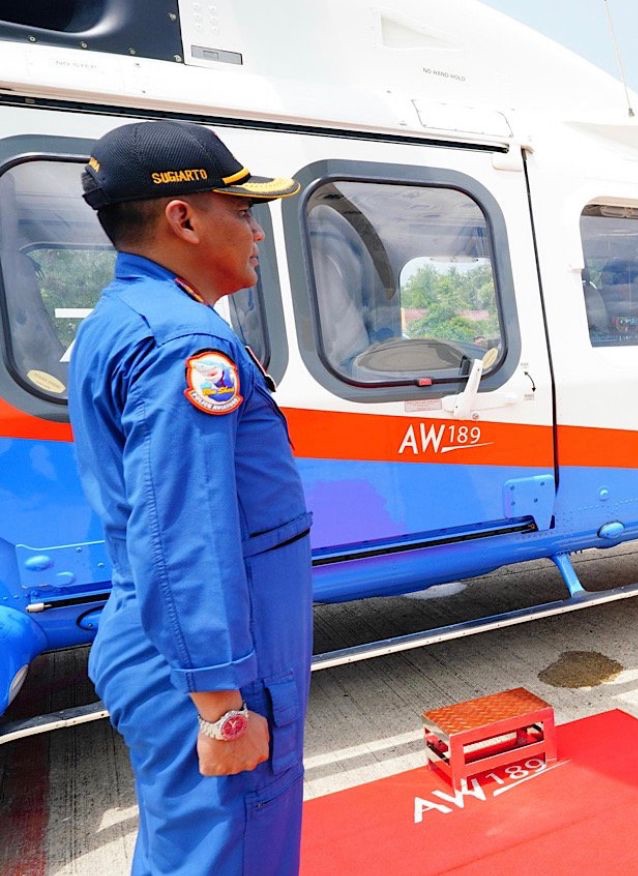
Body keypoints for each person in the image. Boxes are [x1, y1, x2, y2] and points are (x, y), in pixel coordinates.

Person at [69, 121, 311, 874]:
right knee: (230, 847)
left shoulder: (123, 320)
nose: (257, 233)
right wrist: (222, 703)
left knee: (188, 848)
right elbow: (184, 532)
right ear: (182, 217)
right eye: (241, 211)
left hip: (163, 639)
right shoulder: (182, 343)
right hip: (213, 663)